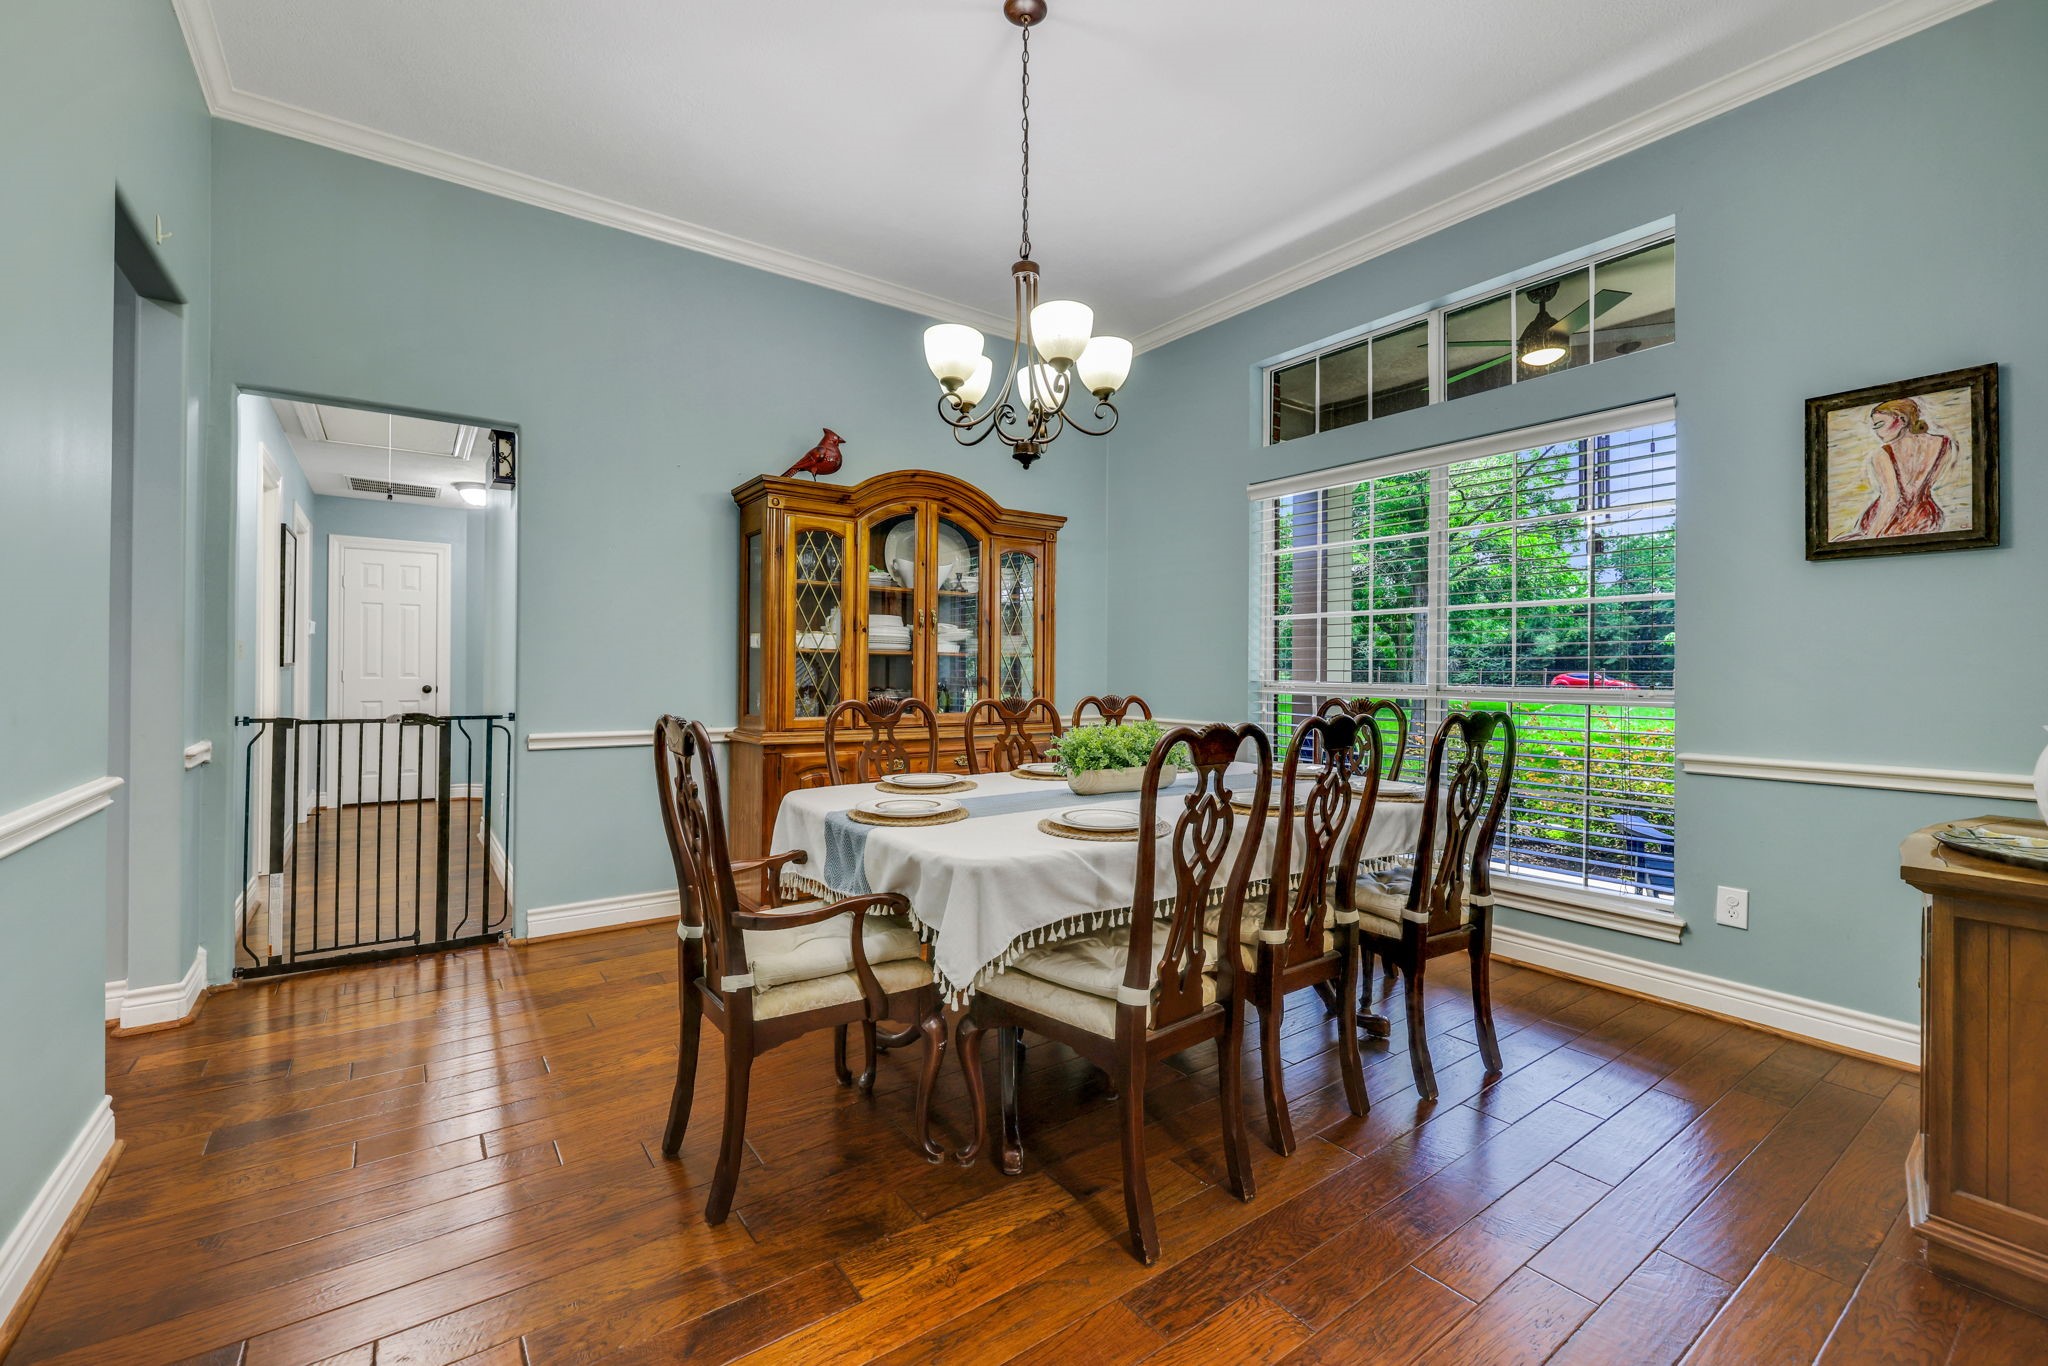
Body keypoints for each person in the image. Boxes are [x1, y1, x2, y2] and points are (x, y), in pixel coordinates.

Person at [1852, 397, 1952, 538]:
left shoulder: (1883, 454)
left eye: (1879, 424)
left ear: (1902, 420)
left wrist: (1869, 538)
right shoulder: (1943, 443)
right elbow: (1927, 484)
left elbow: (1891, 499)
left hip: (1889, 522)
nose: (1876, 431)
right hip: (1927, 518)